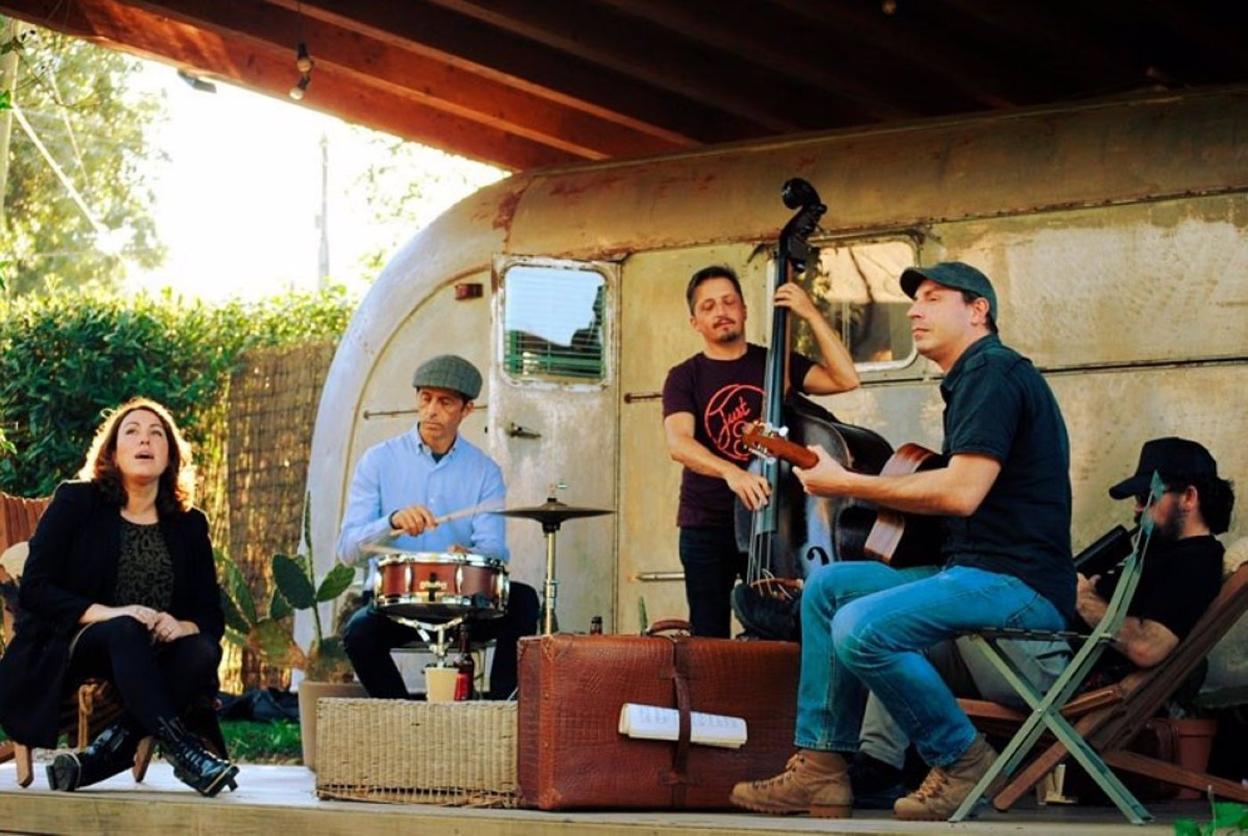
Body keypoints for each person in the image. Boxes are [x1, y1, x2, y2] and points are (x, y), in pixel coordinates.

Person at [731, 261, 1074, 820]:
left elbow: (962, 493)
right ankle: (821, 769)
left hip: (1018, 584)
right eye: (916, 300)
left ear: (978, 310)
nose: (915, 310)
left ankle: (963, 761)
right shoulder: (969, 380)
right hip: (969, 573)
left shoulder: (994, 372)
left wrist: (844, 482)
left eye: (934, 298)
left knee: (861, 625)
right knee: (831, 587)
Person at [848, 436, 1234, 809]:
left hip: (1064, 680)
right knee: (899, 635)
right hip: (1031, 661)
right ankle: (879, 767)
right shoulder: (1148, 552)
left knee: (973, 595)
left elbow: (1150, 646)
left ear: (1189, 497)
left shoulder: (1195, 561)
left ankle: (961, 763)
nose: (1136, 510)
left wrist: (1085, 599)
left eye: (1147, 499)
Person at [0, 398, 237, 796]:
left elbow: (210, 615)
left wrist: (179, 624)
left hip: (152, 654)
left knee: (202, 650)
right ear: (112, 452)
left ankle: (100, 758)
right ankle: (183, 750)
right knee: (124, 629)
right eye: (132, 431)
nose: (145, 439)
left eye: (156, 433)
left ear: (170, 454)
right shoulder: (77, 502)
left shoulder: (190, 524)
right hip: (71, 644)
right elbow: (37, 589)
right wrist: (112, 613)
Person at [661, 265, 860, 637]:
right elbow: (680, 443)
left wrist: (810, 313)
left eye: (728, 301)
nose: (721, 311)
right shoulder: (684, 376)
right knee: (709, 634)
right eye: (708, 307)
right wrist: (733, 473)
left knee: (781, 631)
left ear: (744, 309)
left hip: (775, 524)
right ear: (695, 322)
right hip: (708, 522)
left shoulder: (775, 364)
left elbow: (846, 378)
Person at [337, 354, 539, 700]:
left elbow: (495, 551)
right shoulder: (378, 460)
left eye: (445, 402)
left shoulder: (484, 471)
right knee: (358, 634)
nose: (431, 410)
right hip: (395, 603)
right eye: (425, 398)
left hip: (463, 602)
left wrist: (470, 557)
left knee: (523, 601)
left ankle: (497, 713)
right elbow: (347, 552)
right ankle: (401, 716)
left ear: (466, 410)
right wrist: (392, 521)